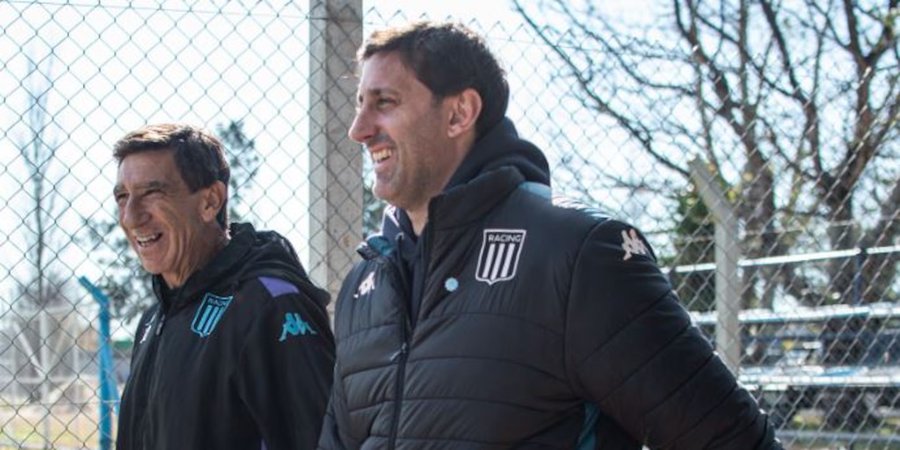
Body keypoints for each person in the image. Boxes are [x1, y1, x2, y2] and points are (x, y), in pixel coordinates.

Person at [318, 22, 782, 449]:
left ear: (459, 113)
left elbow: (733, 441)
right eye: (360, 104)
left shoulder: (576, 254)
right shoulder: (366, 283)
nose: (359, 130)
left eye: (384, 102)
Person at [113, 123, 334, 450]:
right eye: (122, 196)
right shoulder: (153, 319)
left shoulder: (271, 305)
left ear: (210, 201)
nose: (131, 217)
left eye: (152, 193)